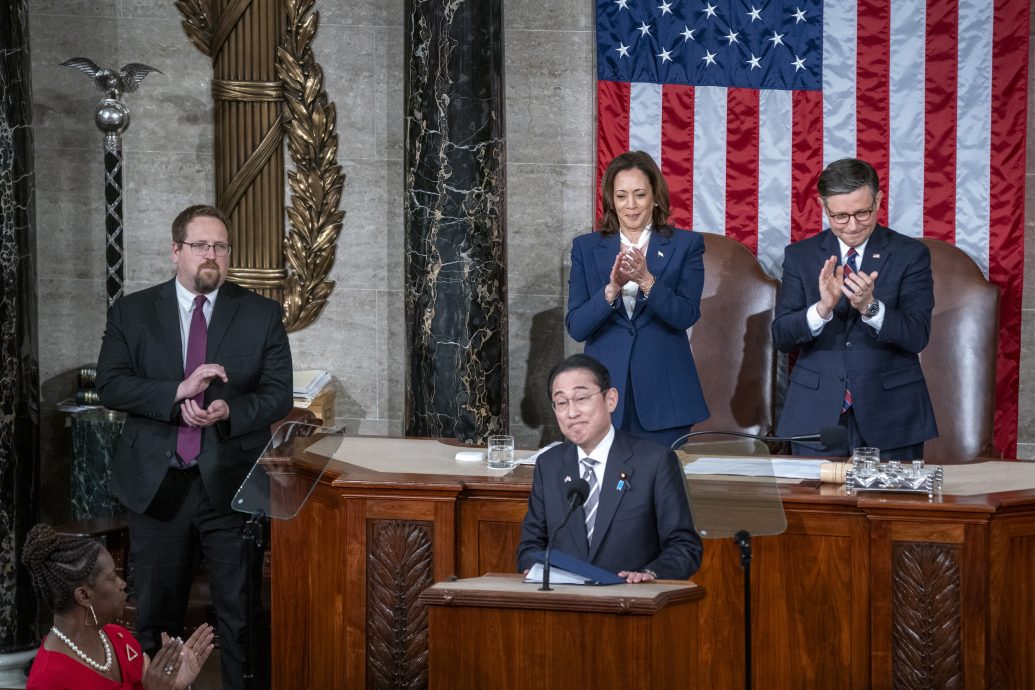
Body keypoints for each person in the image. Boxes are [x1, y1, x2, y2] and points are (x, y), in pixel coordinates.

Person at [95, 205, 293, 690]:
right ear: (176, 251)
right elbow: (111, 385)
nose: (212, 255)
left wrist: (229, 411)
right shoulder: (133, 312)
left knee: (240, 618)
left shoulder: (260, 314)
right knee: (155, 619)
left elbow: (277, 394)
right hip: (158, 488)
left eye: (220, 247)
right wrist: (175, 393)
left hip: (229, 487)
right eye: (202, 245)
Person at [772, 158, 937, 459]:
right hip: (815, 415)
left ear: (878, 199)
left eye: (863, 213)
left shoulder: (910, 255)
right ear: (823, 205)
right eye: (840, 216)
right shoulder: (800, 256)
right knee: (815, 507)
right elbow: (782, 337)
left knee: (889, 507)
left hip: (892, 416)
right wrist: (822, 309)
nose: (852, 226)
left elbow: (917, 335)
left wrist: (871, 307)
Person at [565, 151, 709, 449]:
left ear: (655, 197)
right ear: (611, 200)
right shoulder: (585, 248)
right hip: (603, 398)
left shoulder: (686, 245)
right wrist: (611, 291)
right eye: (621, 196)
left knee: (661, 492)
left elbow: (685, 315)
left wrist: (647, 281)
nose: (630, 205)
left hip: (665, 398)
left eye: (639, 194)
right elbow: (577, 327)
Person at [517, 354, 703, 582]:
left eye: (582, 398)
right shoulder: (549, 465)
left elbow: (685, 546)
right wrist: (534, 569)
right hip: (565, 603)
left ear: (611, 399)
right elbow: (530, 545)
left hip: (631, 601)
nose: (572, 412)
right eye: (562, 403)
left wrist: (650, 574)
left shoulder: (654, 461)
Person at [22, 523, 214, 690]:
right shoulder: (49, 679)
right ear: (83, 595)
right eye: (112, 578)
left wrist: (175, 686)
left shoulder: (120, 639)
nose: (122, 584)